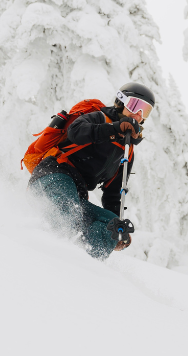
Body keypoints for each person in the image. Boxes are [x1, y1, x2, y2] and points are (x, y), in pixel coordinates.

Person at [27, 82, 155, 259]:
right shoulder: (100, 118)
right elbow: (76, 132)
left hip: (76, 196)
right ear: (121, 102)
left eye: (145, 111)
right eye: (135, 105)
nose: (139, 114)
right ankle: (55, 259)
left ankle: (85, 270)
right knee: (68, 223)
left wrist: (119, 229)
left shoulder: (127, 151)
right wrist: (114, 129)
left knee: (111, 227)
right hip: (53, 175)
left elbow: (112, 195)